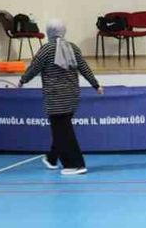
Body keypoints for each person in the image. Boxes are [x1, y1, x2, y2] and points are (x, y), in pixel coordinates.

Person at [17, 19, 103, 176]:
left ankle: (76, 164)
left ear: (49, 32)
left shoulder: (46, 49)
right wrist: (95, 85)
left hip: (55, 98)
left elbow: (34, 68)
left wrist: (23, 80)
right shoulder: (73, 47)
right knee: (62, 129)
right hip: (72, 96)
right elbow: (84, 68)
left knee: (63, 132)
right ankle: (51, 158)